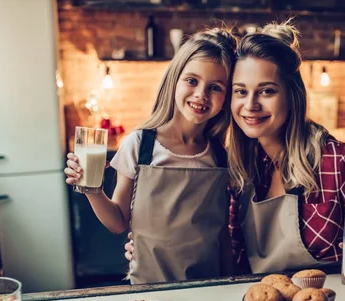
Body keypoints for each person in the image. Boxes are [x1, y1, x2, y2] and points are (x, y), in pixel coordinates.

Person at [227, 21, 345, 289]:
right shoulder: (241, 167)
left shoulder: (340, 163)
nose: (250, 105)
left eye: (267, 91)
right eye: (240, 91)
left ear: (292, 96)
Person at [65, 27, 237, 284]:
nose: (201, 94)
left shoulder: (220, 155)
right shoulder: (140, 144)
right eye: (192, 81)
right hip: (150, 285)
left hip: (209, 284)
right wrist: (92, 189)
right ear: (174, 80)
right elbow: (118, 222)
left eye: (215, 87)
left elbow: (222, 234)